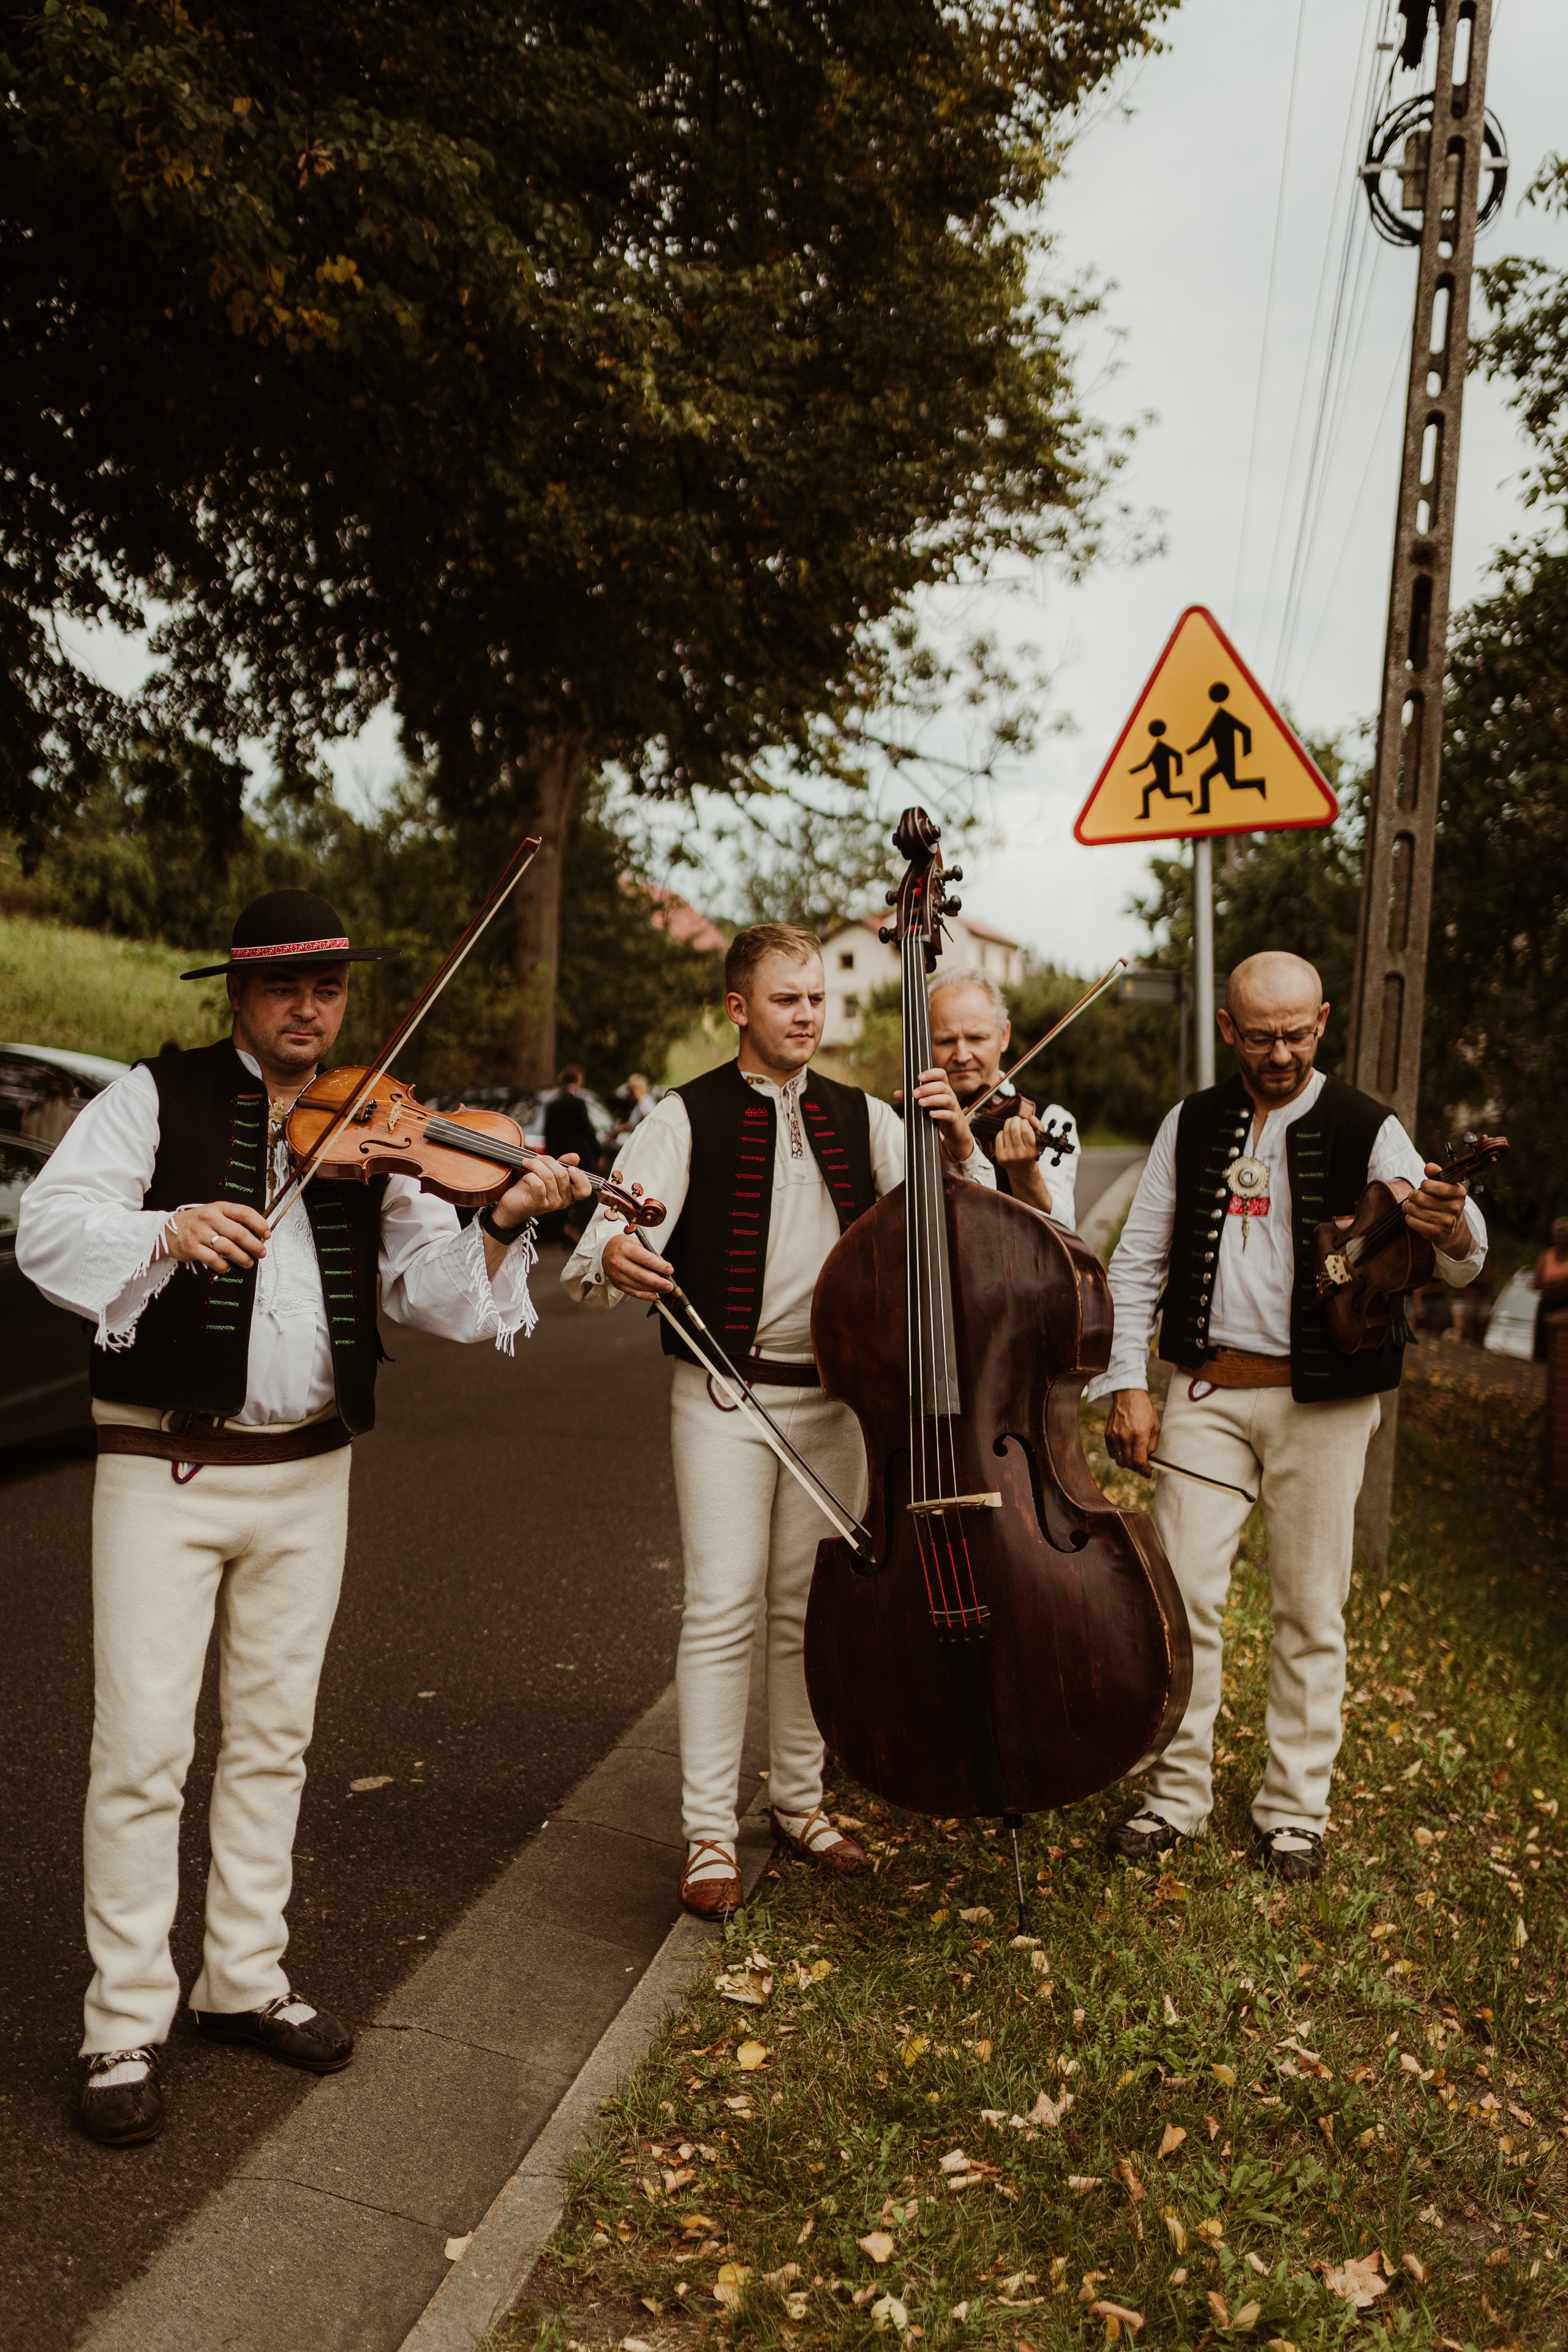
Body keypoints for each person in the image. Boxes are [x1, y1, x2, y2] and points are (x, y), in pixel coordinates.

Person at [16, 888, 588, 2149]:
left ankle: (240, 1978)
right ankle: (122, 2019)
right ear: (236, 994)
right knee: (144, 1751)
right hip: (161, 1469)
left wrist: (499, 1215)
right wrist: (166, 1226)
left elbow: (436, 1299)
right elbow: (48, 1228)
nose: (308, 1007)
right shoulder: (154, 1101)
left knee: (275, 1737)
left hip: (312, 1469)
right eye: (283, 987)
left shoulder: (377, 1122)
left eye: (326, 986)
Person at [562, 923, 995, 1917]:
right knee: (722, 1605)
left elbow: (959, 1225)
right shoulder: (682, 1116)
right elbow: (604, 1244)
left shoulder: (867, 1115)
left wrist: (957, 1145)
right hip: (724, 1391)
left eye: (817, 999)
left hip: (838, 1396)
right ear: (738, 1008)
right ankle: (710, 1833)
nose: (807, 1014)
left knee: (811, 1611)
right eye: (788, 999)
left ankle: (800, 1805)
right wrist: (619, 1257)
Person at [1091, 951, 1485, 1883]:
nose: (1280, 1051)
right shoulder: (1189, 1124)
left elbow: (1463, 1263)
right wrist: (1127, 1381)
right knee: (1181, 1600)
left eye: (1298, 1032)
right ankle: (1175, 1796)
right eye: (1262, 1034)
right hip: (1208, 1392)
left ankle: (1295, 1810)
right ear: (1230, 1029)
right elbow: (1138, 1257)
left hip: (1327, 1403)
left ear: (1324, 1022)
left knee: (1311, 1605)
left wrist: (1453, 1222)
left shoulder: (1367, 1126)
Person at [925, 970, 1079, 1228]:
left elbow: (1064, 1234)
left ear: (1004, 1035)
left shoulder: (1052, 1117)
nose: (962, 1055)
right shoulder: (901, 1120)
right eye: (946, 1041)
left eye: (977, 1038)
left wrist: (1025, 1173)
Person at [1532, 1218, 1568, 1361]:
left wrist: (1551, 1285)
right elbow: (1537, 1283)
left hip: (1565, 1306)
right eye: (1556, 1235)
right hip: (1547, 1303)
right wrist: (1559, 1284)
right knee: (1543, 1345)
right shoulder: (1547, 1256)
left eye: (1561, 1236)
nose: (1558, 1239)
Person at [21, 1068, 78, 1145]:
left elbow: (32, 1146)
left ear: (46, 1095)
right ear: (69, 1097)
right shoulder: (75, 1118)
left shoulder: (35, 1117)